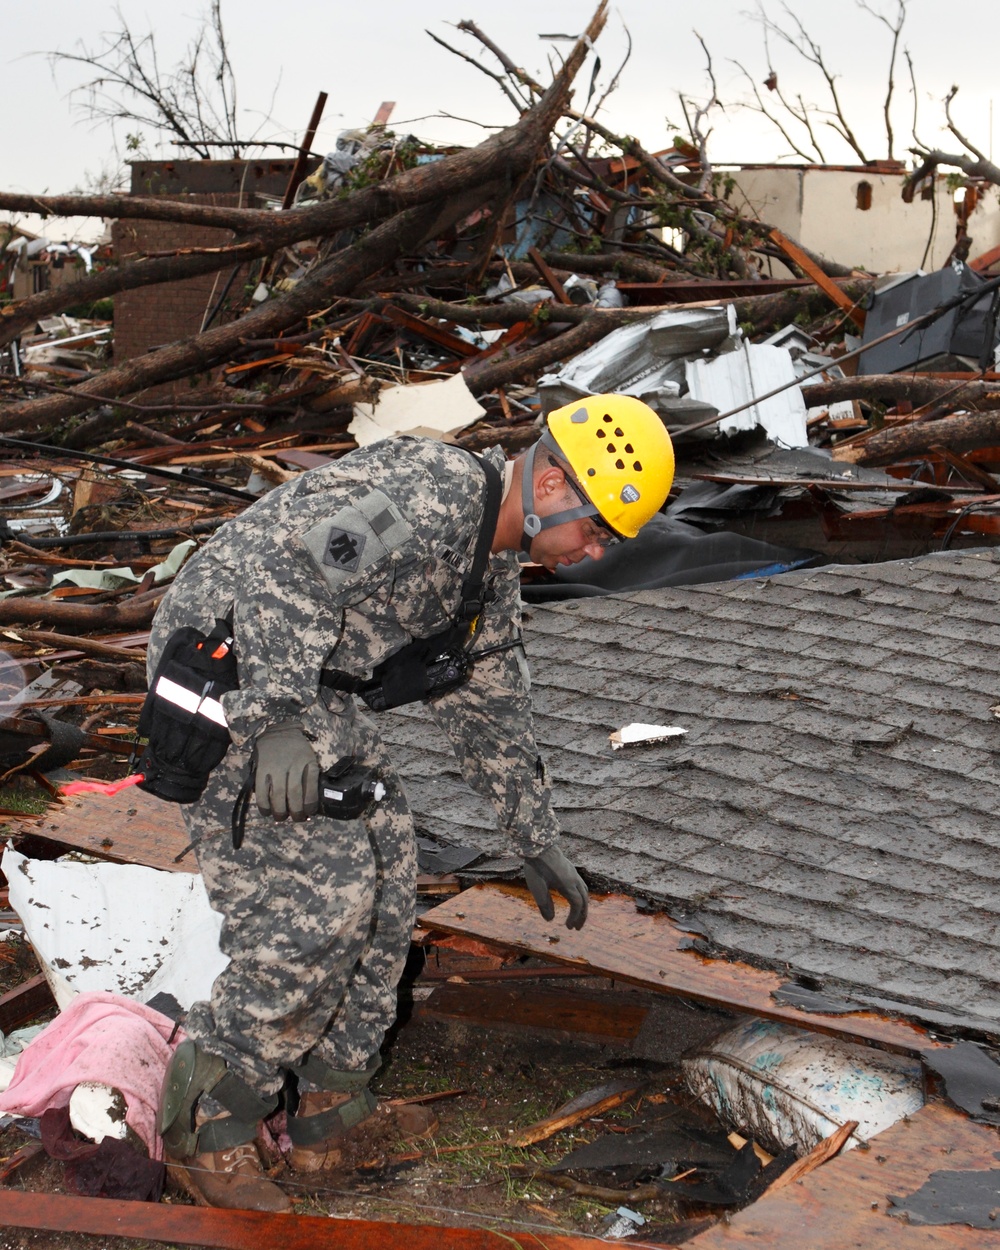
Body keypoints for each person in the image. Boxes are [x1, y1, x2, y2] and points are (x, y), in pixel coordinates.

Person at [148, 393, 675, 1210]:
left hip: (316, 687)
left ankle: (331, 1112)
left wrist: (532, 835)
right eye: (597, 529)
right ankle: (207, 1122)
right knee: (319, 899)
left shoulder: (488, 568)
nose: (595, 553)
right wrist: (276, 724)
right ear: (553, 487)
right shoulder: (430, 491)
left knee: (392, 871)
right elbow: (287, 572)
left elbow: (491, 699)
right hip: (232, 666)